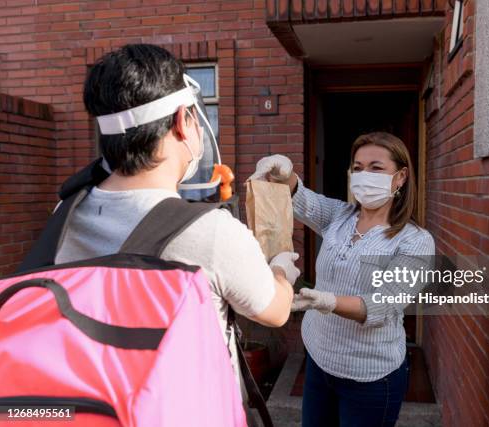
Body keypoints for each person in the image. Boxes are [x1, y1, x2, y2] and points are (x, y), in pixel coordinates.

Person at [54, 44, 299, 402]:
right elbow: (275, 311)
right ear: (183, 121)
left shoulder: (64, 211)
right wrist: (281, 269)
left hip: (99, 403)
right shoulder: (211, 231)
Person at [249, 132, 435, 427]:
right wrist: (286, 174)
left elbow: (384, 305)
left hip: (370, 377)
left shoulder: (414, 242)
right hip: (320, 362)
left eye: (376, 168)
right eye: (358, 168)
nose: (364, 175)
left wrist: (327, 301)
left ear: (400, 177)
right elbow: (304, 200)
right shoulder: (342, 216)